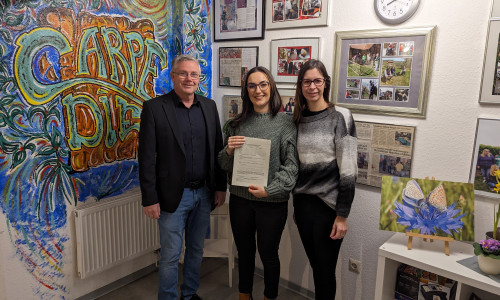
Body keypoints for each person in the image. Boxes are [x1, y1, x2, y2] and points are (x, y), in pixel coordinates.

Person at [138, 54, 227, 300]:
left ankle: (189, 294)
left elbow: (217, 150)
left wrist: (221, 187)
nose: (189, 78)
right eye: (183, 73)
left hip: (205, 193)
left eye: (194, 74)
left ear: (199, 78)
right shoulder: (155, 109)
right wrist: (149, 198)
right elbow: (146, 158)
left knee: (196, 250)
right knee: (169, 255)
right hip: (172, 196)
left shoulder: (208, 107)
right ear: (173, 76)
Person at [218, 66, 298, 300]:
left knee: (268, 254)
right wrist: (229, 152)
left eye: (263, 84)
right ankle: (244, 296)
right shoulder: (235, 124)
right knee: (244, 252)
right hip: (240, 201)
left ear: (271, 87)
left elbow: (292, 168)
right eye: (252, 86)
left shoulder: (286, 124)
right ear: (246, 91)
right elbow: (223, 164)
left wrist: (269, 190)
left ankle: (269, 297)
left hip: (271, 202)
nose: (258, 90)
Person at [292, 59, 357, 300]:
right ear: (300, 85)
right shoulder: (298, 118)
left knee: (325, 270)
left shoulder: (341, 116)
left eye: (317, 81)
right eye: (306, 81)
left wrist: (342, 215)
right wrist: (297, 203)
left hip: (329, 208)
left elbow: (349, 169)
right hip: (304, 205)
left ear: (325, 83)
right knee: (316, 266)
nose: (312, 87)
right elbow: (297, 166)